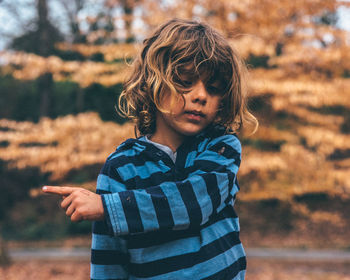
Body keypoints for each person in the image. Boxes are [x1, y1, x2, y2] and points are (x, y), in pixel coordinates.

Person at [42, 18, 258, 280]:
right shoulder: (121, 168)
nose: (200, 96)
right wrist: (108, 207)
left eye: (213, 89)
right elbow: (109, 261)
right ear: (152, 84)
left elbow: (193, 202)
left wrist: (107, 207)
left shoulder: (222, 147)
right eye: (185, 82)